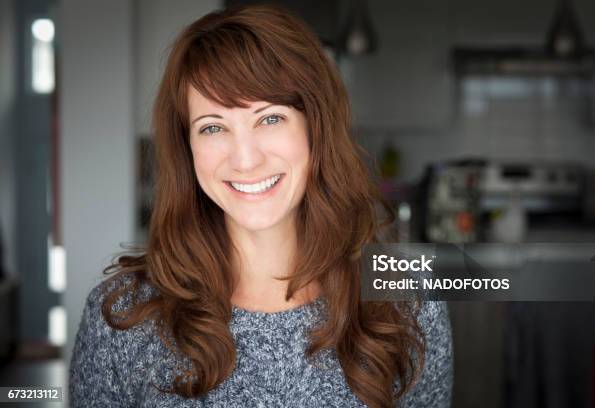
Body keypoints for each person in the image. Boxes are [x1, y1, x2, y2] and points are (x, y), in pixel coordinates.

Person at [69, 4, 453, 407]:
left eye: (269, 119)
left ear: (314, 127)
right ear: (188, 148)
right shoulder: (123, 317)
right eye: (213, 127)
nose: (245, 159)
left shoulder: (409, 305)